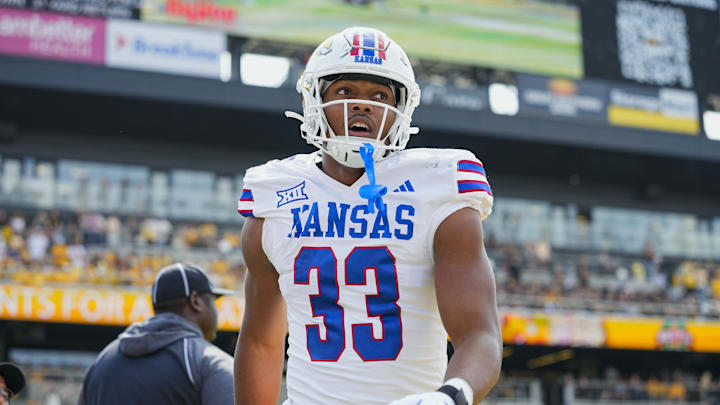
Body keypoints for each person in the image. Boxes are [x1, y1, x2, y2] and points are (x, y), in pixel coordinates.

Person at [235, 27, 502, 405]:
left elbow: (480, 333)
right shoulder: (273, 195)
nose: (363, 106)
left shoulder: (439, 186)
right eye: (345, 92)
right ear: (314, 100)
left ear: (401, 109)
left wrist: (450, 396)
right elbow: (261, 343)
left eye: (380, 95)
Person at [79, 263, 234, 405]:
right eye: (213, 300)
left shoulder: (101, 363)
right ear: (196, 301)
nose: (216, 309)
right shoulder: (208, 361)